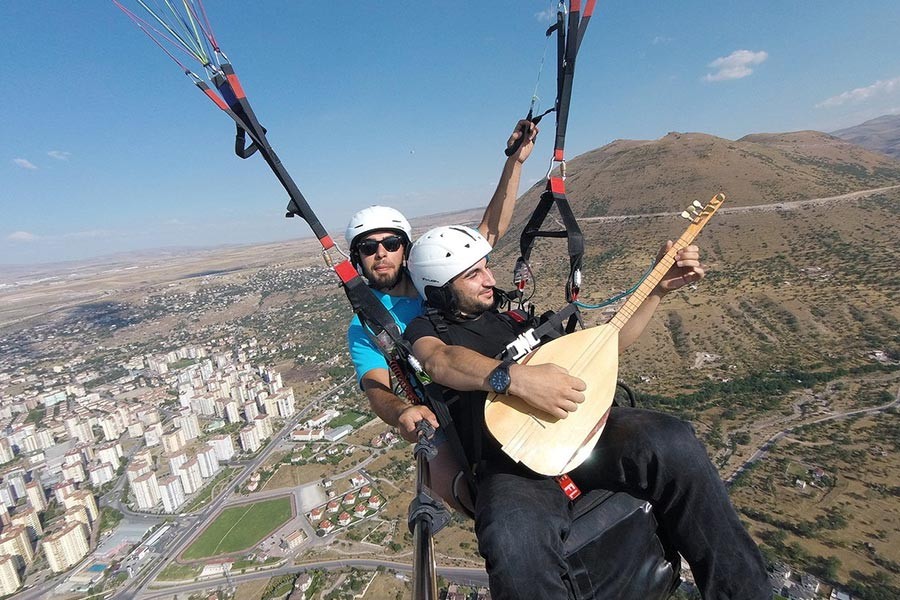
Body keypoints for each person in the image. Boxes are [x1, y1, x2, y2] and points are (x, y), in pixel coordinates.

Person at [403, 225, 772, 600]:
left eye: (486, 267)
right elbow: (439, 360)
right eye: (474, 274)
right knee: (511, 538)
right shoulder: (429, 329)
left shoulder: (514, 318)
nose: (489, 279)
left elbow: (604, 348)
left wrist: (658, 288)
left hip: (581, 431)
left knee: (672, 439)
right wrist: (515, 379)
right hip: (513, 464)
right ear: (439, 288)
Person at [345, 121, 538, 509]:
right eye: (369, 247)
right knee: (473, 500)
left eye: (391, 243)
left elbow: (489, 231)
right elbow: (376, 388)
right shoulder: (366, 325)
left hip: (504, 369)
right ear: (358, 258)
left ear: (406, 249)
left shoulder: (435, 276)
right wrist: (402, 411)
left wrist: (514, 163)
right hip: (450, 406)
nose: (381, 253)